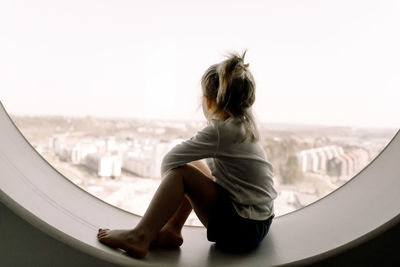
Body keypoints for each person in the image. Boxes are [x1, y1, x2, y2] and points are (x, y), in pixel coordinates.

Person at [97, 51, 277, 259]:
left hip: (241, 230)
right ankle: (172, 230)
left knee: (181, 173)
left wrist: (175, 189)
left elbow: (170, 162)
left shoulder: (221, 131)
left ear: (209, 102)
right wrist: (194, 187)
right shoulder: (244, 126)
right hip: (259, 222)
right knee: (193, 167)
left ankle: (140, 236)